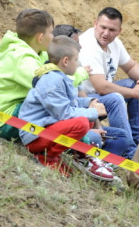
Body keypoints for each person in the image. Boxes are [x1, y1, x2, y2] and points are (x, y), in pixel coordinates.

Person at [18, 36, 124, 181]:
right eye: (76, 60)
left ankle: (73, 156)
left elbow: (69, 102)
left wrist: (89, 103)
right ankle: (46, 156)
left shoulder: (59, 76)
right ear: (66, 61)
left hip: (45, 131)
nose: (79, 64)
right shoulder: (52, 80)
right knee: (82, 123)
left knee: (87, 119)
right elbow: (64, 114)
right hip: (35, 135)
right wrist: (93, 112)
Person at [78, 7, 139, 157]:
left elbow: (131, 66)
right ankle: (129, 152)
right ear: (95, 24)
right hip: (86, 98)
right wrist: (134, 93)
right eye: (103, 27)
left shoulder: (115, 43)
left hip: (100, 93)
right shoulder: (89, 45)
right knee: (116, 98)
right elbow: (102, 87)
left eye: (112, 29)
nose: (106, 33)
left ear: (119, 30)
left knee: (135, 84)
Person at [0, 8, 54, 140]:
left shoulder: (39, 53)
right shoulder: (21, 58)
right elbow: (47, 88)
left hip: (10, 111)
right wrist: (80, 75)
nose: (53, 38)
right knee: (48, 104)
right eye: (51, 33)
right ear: (40, 37)